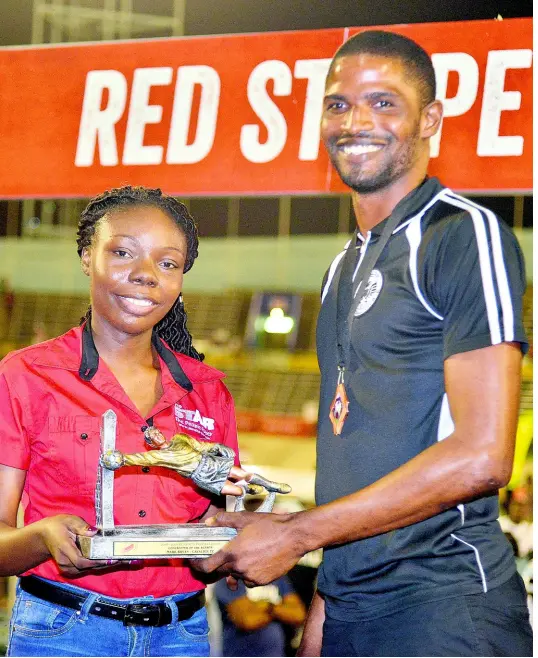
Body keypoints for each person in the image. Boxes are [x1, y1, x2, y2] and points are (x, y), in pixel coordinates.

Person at [193, 31, 533, 657]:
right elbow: (350, 463)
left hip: (443, 608)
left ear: (430, 119)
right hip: (354, 612)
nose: (356, 122)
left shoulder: (462, 234)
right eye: (339, 104)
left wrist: (295, 535)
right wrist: (323, 611)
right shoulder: (339, 270)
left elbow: (485, 456)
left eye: (384, 103)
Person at [0, 185, 273, 657]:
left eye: (167, 263)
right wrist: (43, 538)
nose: (146, 276)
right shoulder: (27, 376)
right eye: (124, 253)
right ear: (88, 256)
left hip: (181, 635)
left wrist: (233, 539)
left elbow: (217, 523)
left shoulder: (207, 392)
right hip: (64, 632)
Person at [215, 574, 306, 657]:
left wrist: (267, 607)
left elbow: (299, 614)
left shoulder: (276, 576)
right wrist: (280, 609)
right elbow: (247, 620)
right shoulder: (229, 580)